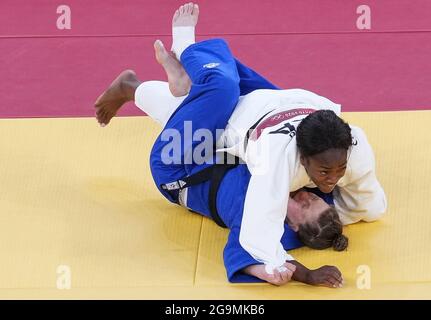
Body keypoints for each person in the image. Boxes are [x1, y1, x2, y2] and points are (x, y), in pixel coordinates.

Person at [94, 2, 384, 286]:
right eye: (315, 192)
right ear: (305, 159)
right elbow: (366, 206)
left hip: (178, 165)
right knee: (220, 98)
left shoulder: (269, 213)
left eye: (305, 205)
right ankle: (138, 86)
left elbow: (248, 248)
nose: (311, 193)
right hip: (261, 112)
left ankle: (186, 56)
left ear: (291, 227)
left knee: (220, 90)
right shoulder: (293, 168)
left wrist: (295, 273)